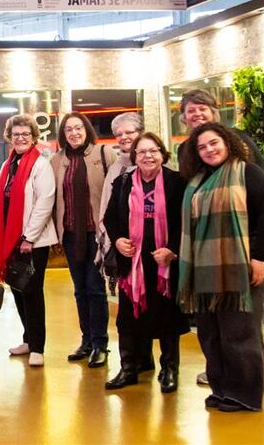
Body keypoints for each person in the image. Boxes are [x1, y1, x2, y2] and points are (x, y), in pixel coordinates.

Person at [175, 89, 264, 389]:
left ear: (215, 112)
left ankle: (246, 387)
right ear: (183, 118)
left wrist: (258, 255)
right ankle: (223, 382)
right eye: (191, 110)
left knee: (242, 327)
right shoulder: (186, 152)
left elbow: (262, 209)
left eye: (202, 108)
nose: (197, 114)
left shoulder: (242, 152)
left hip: (242, 252)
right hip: (206, 256)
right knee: (212, 328)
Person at [103, 133, 189, 392]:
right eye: (142, 152)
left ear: (163, 154)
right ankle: (129, 368)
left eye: (153, 151)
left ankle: (169, 369)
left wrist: (172, 250)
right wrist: (118, 240)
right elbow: (110, 217)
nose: (147, 156)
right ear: (134, 156)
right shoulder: (123, 182)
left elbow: (185, 221)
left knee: (167, 317)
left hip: (164, 263)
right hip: (133, 262)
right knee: (128, 318)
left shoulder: (176, 183)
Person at [50, 112, 116, 368]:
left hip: (96, 235)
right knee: (79, 290)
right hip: (70, 234)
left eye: (78, 128)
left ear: (86, 130)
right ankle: (86, 340)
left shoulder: (103, 154)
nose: (74, 133)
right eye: (68, 130)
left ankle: (100, 343)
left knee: (95, 289)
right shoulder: (57, 160)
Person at [0, 114, 56, 368]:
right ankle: (28, 339)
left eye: (25, 135)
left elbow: (45, 201)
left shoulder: (40, 164)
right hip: (10, 238)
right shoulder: (8, 165)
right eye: (16, 134)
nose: (20, 138)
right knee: (17, 289)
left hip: (33, 241)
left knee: (32, 292)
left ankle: (38, 347)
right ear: (10, 137)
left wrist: (29, 237)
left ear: (33, 137)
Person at [99, 112, 145, 293]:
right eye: (119, 134)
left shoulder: (156, 161)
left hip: (151, 243)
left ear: (141, 132)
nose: (124, 137)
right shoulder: (116, 168)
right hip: (123, 243)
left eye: (129, 132)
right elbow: (107, 209)